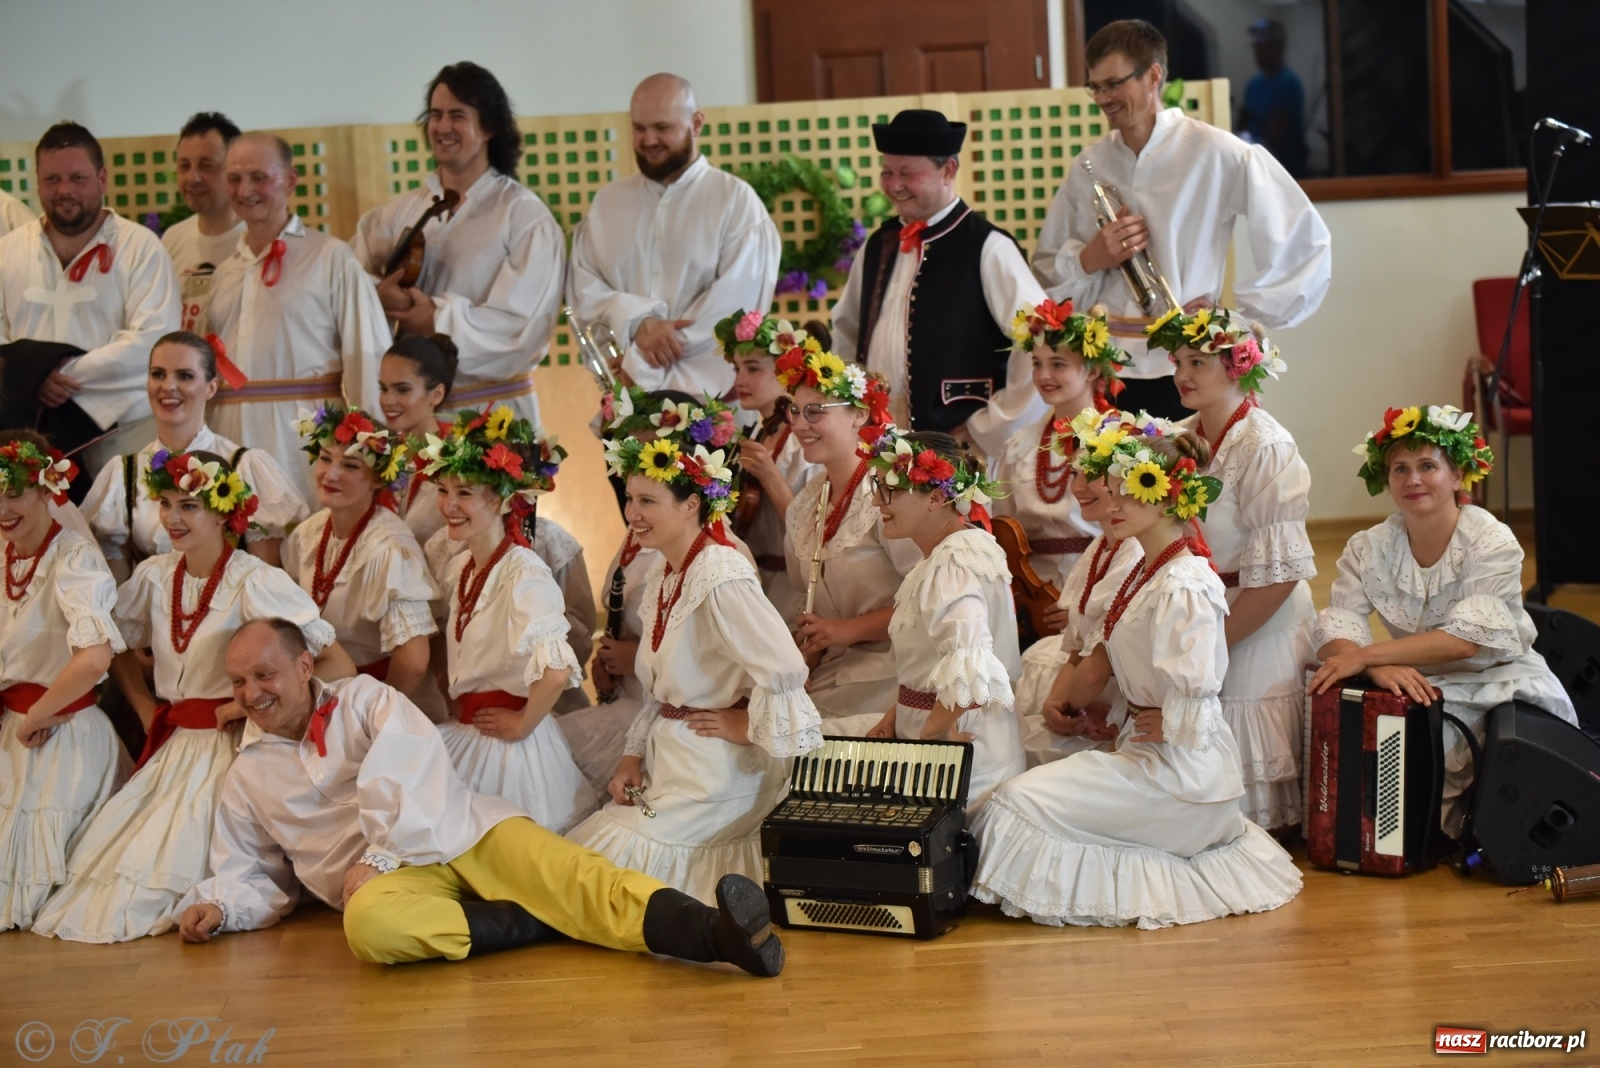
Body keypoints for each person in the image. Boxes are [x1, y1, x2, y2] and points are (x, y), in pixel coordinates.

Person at [174, 619, 786, 976]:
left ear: (305, 666)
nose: (251, 693)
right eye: (238, 682)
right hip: (386, 886)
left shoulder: (363, 700)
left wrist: (384, 852)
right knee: (369, 929)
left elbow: (410, 773)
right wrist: (225, 908)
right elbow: (249, 870)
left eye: (264, 674)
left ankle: (720, 937)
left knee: (573, 872)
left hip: (457, 831)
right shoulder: (246, 774)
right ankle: (540, 920)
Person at [970, 419, 1303, 928]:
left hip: (1183, 777)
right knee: (1014, 790)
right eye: (1116, 491)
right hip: (1148, 754)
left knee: (1016, 803)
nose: (1115, 504)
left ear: (1172, 500)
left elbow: (1199, 693)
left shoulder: (1185, 582)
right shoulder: (1148, 572)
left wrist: (1172, 719)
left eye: (1134, 492)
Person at [32, 450, 353, 942]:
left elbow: (335, 663)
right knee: (116, 866)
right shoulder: (156, 576)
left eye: (189, 506)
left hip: (236, 746)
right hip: (178, 743)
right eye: (166, 504)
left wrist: (248, 703)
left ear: (225, 511)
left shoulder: (254, 580)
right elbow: (112, 642)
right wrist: (142, 705)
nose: (173, 518)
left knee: (201, 862)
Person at [568, 393, 822, 902]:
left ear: (690, 504)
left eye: (647, 501)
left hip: (719, 773)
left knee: (597, 869)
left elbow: (787, 668)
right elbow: (661, 693)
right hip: (674, 759)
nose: (632, 514)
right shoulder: (667, 568)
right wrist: (631, 756)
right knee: (582, 860)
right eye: (630, 498)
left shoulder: (720, 571)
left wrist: (747, 726)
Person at [1031, 19, 1330, 420]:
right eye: (1096, 87)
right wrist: (1092, 257)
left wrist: (1236, 319)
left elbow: (1302, 242)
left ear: (1153, 76)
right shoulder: (1090, 163)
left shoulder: (1216, 152)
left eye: (1114, 84)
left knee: (1192, 480)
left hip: (1190, 365)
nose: (1103, 98)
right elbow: (1047, 266)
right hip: (1105, 367)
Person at [1310, 405, 1579, 832]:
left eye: (1427, 466)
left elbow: (1465, 642)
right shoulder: (1370, 546)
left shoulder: (1491, 541)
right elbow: (1339, 623)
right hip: (1420, 682)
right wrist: (1375, 665)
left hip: (1498, 683)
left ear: (1457, 476)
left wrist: (1370, 658)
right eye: (1400, 468)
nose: (1412, 479)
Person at [1146, 307, 1312, 833]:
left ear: (1240, 366)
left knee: (1239, 810)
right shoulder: (1179, 436)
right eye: (1178, 361)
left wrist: (1214, 645)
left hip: (1256, 621)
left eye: (1198, 362)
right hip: (1202, 615)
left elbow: (1281, 576)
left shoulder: (1266, 445)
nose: (1181, 375)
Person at [416, 406, 597, 833]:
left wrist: (522, 723)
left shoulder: (523, 570)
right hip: (473, 733)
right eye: (443, 490)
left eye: (465, 493)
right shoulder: (462, 567)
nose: (449, 505)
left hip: (512, 749)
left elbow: (555, 671)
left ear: (498, 500)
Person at [831, 109, 1048, 457]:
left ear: (948, 170)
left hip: (962, 452)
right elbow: (845, 333)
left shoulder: (989, 247)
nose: (894, 185)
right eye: (887, 172)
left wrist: (991, 427)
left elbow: (1039, 340)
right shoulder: (879, 245)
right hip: (883, 445)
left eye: (907, 173)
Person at [352, 63, 561, 425]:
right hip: (412, 420)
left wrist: (434, 318)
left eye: (457, 116)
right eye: (435, 115)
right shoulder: (401, 211)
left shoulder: (524, 217)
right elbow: (349, 276)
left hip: (491, 415)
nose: (442, 127)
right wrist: (378, 297)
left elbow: (519, 331)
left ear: (489, 127)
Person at [568, 74, 781, 399]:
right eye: (639, 129)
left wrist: (641, 362)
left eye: (662, 128)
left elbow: (733, 310)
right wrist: (636, 322)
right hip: (629, 400)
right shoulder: (607, 204)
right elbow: (584, 292)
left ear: (696, 124)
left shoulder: (735, 202)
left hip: (712, 405)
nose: (649, 139)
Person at [204, 133, 387, 503]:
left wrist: (370, 451)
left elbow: (367, 356)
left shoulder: (330, 257)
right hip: (230, 436)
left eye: (259, 177)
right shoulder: (224, 273)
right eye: (235, 178)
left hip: (303, 437)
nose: (245, 190)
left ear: (290, 180)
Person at [0, 122, 179, 483]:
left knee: (127, 536)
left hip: (123, 433)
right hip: (34, 435)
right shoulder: (8, 251)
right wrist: (34, 379)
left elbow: (153, 339)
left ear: (102, 178)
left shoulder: (141, 248)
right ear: (37, 181)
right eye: (52, 179)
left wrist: (53, 376)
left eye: (77, 178)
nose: (64, 190)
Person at [862, 427, 1024, 817]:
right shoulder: (959, 549)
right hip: (957, 741)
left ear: (936, 497)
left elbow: (972, 658)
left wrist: (933, 733)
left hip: (958, 754)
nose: (877, 503)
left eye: (891, 491)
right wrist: (896, 714)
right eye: (877, 488)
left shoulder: (951, 562)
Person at [0, 435, 125, 929]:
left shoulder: (73, 557)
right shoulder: (4, 553)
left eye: (14, 492)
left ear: (46, 488)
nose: (4, 509)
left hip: (58, 730)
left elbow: (95, 657)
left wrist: (37, 713)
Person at [770, 334, 917, 733]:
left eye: (815, 411)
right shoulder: (806, 502)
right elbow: (808, 599)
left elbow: (930, 598)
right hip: (834, 670)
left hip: (892, 673)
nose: (800, 425)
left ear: (859, 414)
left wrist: (846, 631)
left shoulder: (891, 491)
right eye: (795, 412)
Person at [81, 331, 307, 579]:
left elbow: (267, 581)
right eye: (158, 374)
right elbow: (120, 589)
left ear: (212, 387)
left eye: (185, 376)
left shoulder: (244, 466)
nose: (168, 386)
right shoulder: (123, 473)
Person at [994, 300, 1126, 645]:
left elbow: (1139, 536)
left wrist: (1089, 602)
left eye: (1058, 364)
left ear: (1093, 371)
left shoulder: (1123, 438)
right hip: (1034, 604)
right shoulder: (1019, 446)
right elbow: (1004, 531)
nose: (1043, 376)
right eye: (1037, 364)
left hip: (1103, 586)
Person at [1016, 415, 1143, 767]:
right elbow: (1076, 647)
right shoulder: (1102, 544)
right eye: (1075, 473)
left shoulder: (1136, 551)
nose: (1078, 486)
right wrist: (1057, 706)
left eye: (1092, 475)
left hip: (1124, 709)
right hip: (1088, 695)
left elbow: (1098, 664)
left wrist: (1069, 707)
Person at [283, 406, 435, 694]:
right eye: (325, 459)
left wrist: (377, 714)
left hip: (367, 696)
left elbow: (414, 661)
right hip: (314, 689)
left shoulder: (390, 549)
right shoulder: (308, 533)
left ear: (378, 479)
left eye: (351, 466)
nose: (331, 474)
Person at [716, 311, 820, 617]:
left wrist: (770, 475)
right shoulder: (762, 432)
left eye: (752, 368)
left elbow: (816, 533)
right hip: (760, 583)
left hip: (795, 587)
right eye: (736, 369)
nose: (739, 381)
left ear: (785, 373)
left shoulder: (803, 442)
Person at [161, 112, 245, 331]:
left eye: (206, 165)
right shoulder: (172, 239)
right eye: (184, 166)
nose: (193, 178)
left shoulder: (256, 241)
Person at [379, 333, 458, 545]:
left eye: (402, 390)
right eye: (383, 388)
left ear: (437, 394)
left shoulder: (459, 456)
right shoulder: (380, 451)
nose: (387, 400)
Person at [1240, 20, 1308, 178]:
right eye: (1255, 46)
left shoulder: (1289, 84)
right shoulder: (1253, 84)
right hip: (1255, 164)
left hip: (1284, 169)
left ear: (1279, 48)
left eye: (1263, 45)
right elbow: (1243, 123)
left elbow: (1275, 136)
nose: (1257, 51)